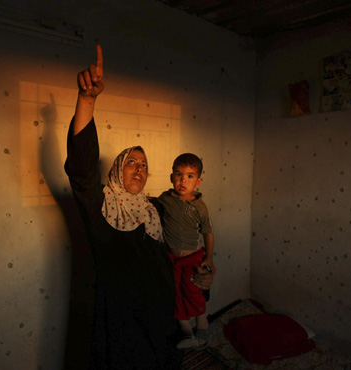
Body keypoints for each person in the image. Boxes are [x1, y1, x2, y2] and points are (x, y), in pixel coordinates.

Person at [64, 45, 213, 369]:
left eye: (144, 165)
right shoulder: (101, 204)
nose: (139, 169)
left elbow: (184, 250)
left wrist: (202, 277)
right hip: (121, 325)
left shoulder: (157, 207)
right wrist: (87, 101)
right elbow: (81, 168)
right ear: (118, 169)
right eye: (131, 162)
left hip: (162, 319)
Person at [158, 154, 216, 350]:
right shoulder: (165, 199)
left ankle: (202, 325)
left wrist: (208, 257)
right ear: (171, 177)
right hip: (172, 259)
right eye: (178, 175)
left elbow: (208, 232)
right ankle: (186, 332)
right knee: (176, 295)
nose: (183, 180)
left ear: (198, 181)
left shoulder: (200, 206)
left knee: (193, 291)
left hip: (193, 257)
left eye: (190, 176)